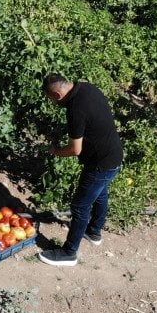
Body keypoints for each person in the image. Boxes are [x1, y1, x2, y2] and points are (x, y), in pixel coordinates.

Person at [38, 74, 124, 267]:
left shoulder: (76, 109)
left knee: (79, 206)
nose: (51, 102)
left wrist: (55, 151)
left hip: (100, 164)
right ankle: (93, 232)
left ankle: (69, 253)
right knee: (100, 194)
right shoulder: (87, 88)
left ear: (57, 94)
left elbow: (75, 150)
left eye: (50, 98)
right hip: (114, 155)